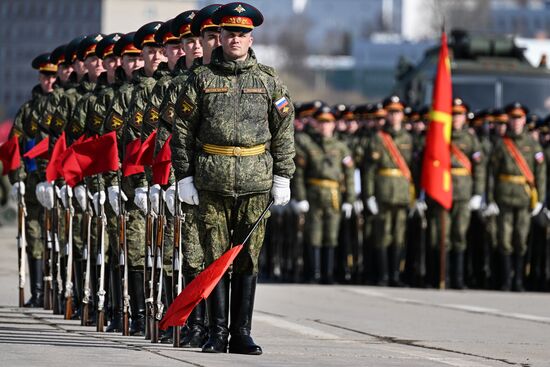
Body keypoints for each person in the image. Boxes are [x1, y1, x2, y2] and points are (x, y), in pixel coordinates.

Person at [171, 2, 295, 354]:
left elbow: (284, 131)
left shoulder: (268, 81)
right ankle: (216, 332)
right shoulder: (201, 80)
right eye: (229, 33)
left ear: (250, 37)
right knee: (214, 258)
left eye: (242, 34)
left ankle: (241, 332)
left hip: (256, 183)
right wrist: (185, 176)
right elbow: (182, 131)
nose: (235, 39)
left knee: (247, 259)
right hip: (211, 182)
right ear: (220, 37)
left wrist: (283, 176)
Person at [9, 53, 57, 307]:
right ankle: (37, 292)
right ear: (40, 77)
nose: (50, 80)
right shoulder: (28, 110)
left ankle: (58, 291)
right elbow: (14, 146)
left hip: (57, 182)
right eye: (46, 76)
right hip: (32, 183)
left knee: (60, 236)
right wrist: (17, 178)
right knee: (34, 234)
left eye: (53, 75)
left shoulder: (63, 104)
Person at [292, 105, 355, 284]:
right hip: (314, 192)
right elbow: (300, 174)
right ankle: (314, 273)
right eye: (322, 122)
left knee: (332, 234)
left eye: (328, 122)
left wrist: (350, 198)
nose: (325, 126)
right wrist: (301, 197)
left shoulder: (341, 147)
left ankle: (328, 273)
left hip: (334, 193)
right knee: (314, 233)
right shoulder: (308, 144)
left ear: (334, 124)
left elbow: (349, 173)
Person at [487, 102, 546, 291]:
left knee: (521, 239)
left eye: (519, 118)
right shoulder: (501, 144)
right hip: (504, 196)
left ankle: (518, 280)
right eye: (513, 118)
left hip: (524, 197)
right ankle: (506, 280)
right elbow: (492, 173)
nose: (516, 122)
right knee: (504, 239)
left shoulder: (532, 144)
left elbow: (540, 174)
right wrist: (490, 198)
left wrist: (540, 201)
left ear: (524, 120)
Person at [362, 95, 414, 287]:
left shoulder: (408, 138)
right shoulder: (377, 138)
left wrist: (415, 195)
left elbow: (413, 169)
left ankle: (395, 275)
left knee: (399, 235)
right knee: (383, 234)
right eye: (391, 112)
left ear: (402, 115)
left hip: (401, 193)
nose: (394, 116)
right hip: (382, 192)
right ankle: (383, 275)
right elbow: (369, 170)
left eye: (397, 112)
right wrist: (369, 196)